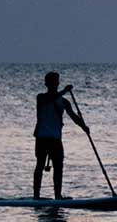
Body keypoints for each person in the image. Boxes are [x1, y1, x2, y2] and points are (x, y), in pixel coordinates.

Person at [32, 71, 86, 199]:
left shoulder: (64, 102)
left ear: (58, 83)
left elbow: (74, 117)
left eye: (56, 82)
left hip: (55, 139)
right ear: (46, 84)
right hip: (42, 137)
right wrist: (64, 91)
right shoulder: (41, 98)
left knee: (58, 167)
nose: (54, 84)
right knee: (40, 165)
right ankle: (36, 196)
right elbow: (50, 99)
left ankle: (58, 196)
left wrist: (84, 127)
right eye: (52, 82)